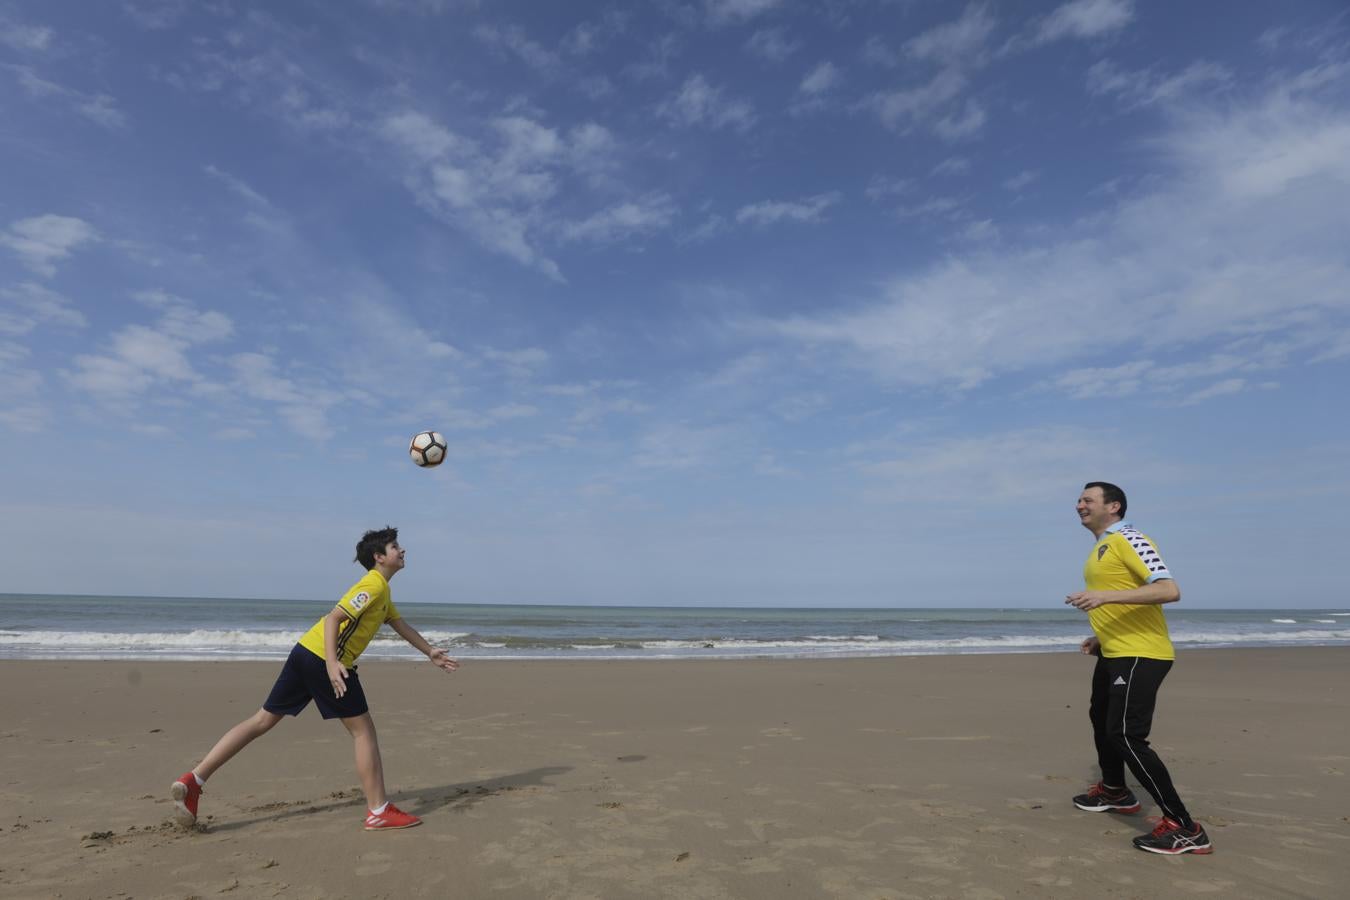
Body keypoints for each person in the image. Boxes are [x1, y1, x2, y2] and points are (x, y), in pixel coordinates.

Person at [170, 526, 459, 831]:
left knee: (261, 721)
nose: (402, 551)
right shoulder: (372, 585)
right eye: (395, 547)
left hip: (305, 651)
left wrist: (429, 651)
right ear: (379, 557)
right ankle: (378, 810)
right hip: (324, 659)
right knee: (363, 732)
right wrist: (333, 664)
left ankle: (194, 779)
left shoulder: (381, 590)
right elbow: (335, 617)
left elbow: (398, 623)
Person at [1064, 482, 1212, 855]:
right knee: (1101, 718)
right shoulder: (1100, 547)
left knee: (1126, 734)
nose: (1079, 504)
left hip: (1141, 654)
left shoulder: (1128, 538)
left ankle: (1184, 827)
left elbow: (1168, 589)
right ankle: (1115, 789)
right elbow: (1127, 600)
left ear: (1113, 507)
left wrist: (1103, 597)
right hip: (1114, 651)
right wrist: (1102, 635)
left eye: (1088, 500)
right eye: (1079, 499)